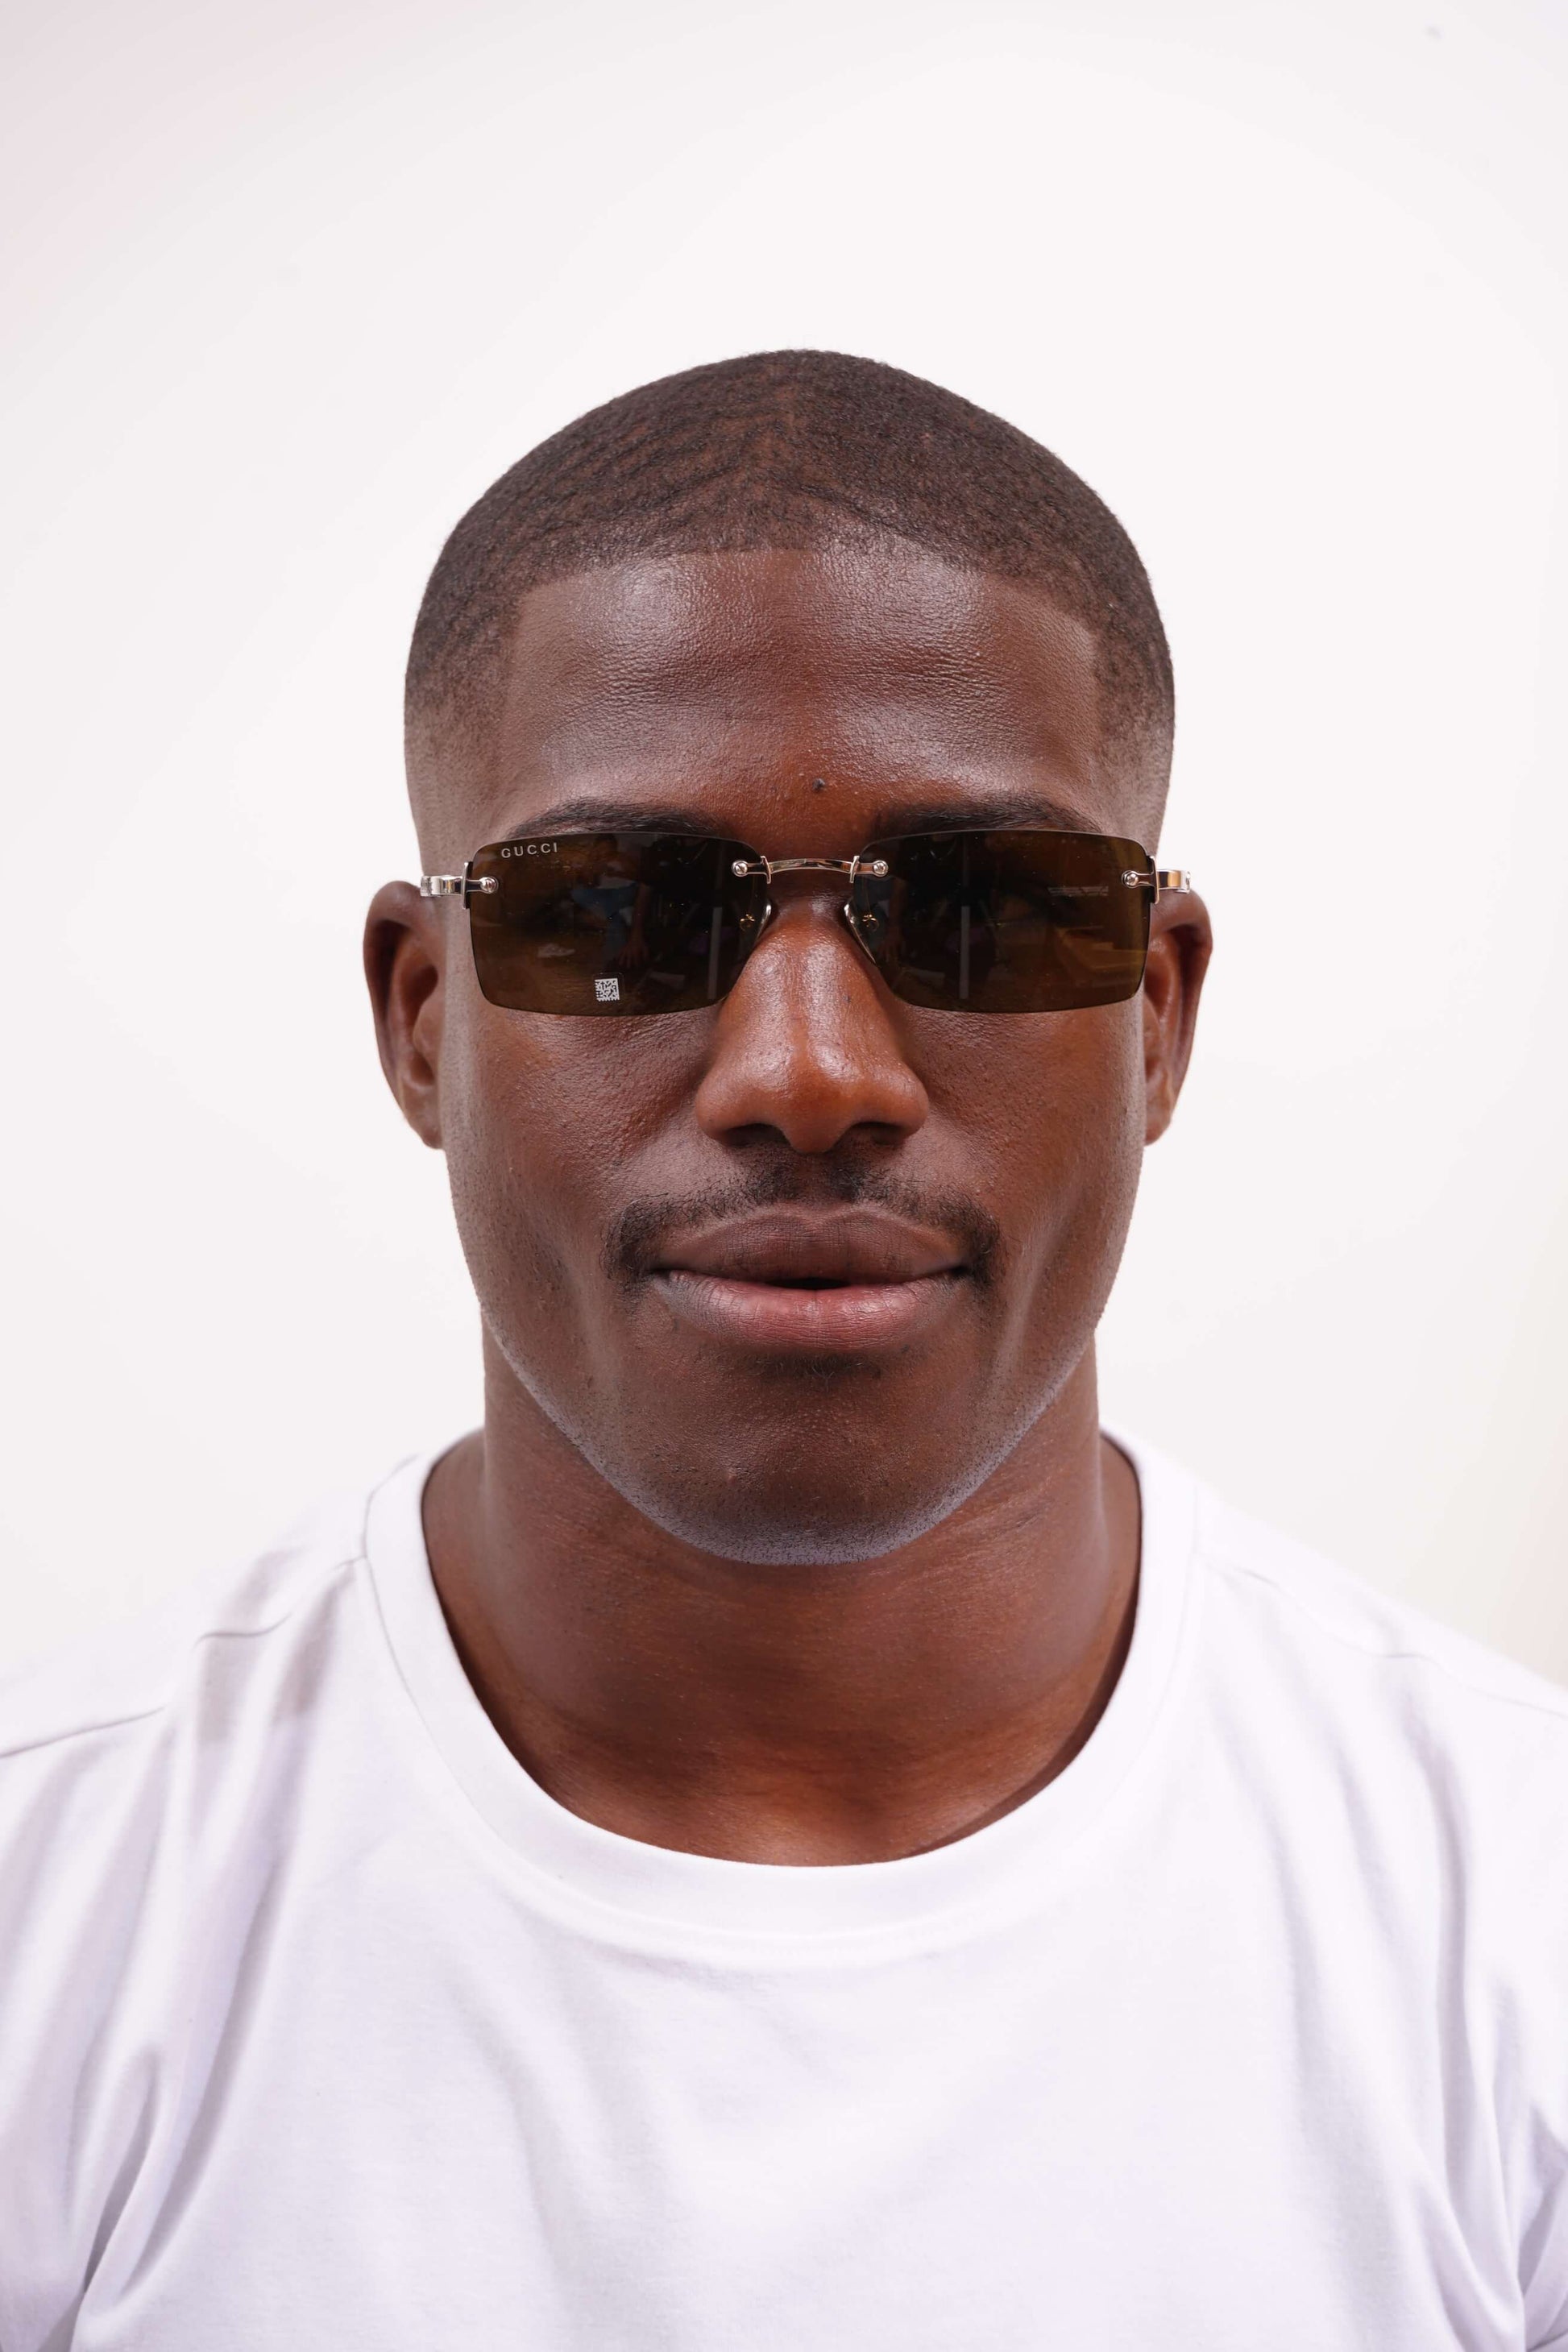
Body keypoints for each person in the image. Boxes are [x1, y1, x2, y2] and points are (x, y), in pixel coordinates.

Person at [2, 351, 1564, 2350]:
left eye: (985, 908)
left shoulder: (1513, 1926)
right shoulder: (52, 1916)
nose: (808, 1071)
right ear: (422, 1017)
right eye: (618, 913)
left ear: (1157, 1017)